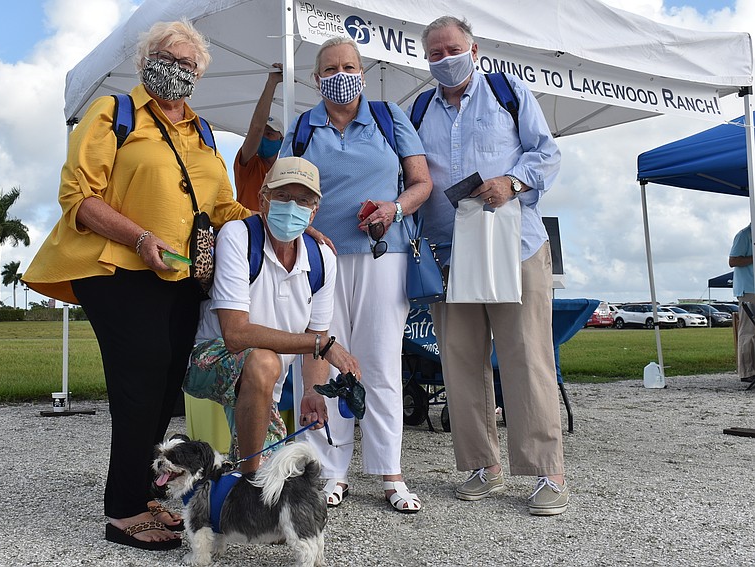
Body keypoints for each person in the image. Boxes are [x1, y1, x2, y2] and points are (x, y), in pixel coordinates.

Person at [22, 19, 252, 550]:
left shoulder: (203, 132)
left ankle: (146, 493)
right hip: (119, 269)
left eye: (190, 65)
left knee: (164, 389)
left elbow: (221, 208)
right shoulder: (113, 114)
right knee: (140, 385)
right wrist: (141, 236)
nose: (179, 70)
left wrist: (280, 219)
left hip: (182, 279)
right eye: (170, 58)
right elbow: (79, 196)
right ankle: (122, 511)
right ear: (147, 60)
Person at [413, 16, 567, 516]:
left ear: (473, 49)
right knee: (459, 361)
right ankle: (484, 465)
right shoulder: (416, 108)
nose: (443, 59)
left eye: (451, 49)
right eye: (433, 54)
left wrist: (513, 182)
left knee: (527, 357)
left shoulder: (509, 92)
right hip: (448, 252)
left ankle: (548, 473)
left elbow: (547, 154)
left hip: (514, 245)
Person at [278, 37, 433, 513]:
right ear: (316, 78)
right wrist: (306, 230)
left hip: (382, 256)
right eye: (330, 68)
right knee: (322, 363)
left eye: (349, 65)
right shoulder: (303, 127)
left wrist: (395, 207)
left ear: (362, 72)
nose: (341, 73)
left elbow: (422, 182)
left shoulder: (389, 118)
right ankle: (330, 471)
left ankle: (392, 474)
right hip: (318, 261)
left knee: (381, 362)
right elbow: (281, 189)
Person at [185, 156, 360, 474]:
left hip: (267, 376)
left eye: (303, 199)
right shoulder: (239, 236)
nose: (292, 206)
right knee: (264, 361)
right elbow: (236, 334)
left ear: (314, 210)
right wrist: (321, 344)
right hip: (210, 360)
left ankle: (240, 474)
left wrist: (312, 391)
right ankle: (249, 481)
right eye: (283, 196)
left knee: (282, 474)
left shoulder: (322, 258)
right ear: (262, 199)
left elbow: (315, 333)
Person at [234, 63, 284, 211]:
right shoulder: (248, 164)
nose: (263, 137)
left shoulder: (284, 171)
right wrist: (271, 83)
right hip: (248, 231)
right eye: (262, 133)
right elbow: (256, 128)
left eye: (269, 134)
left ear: (281, 140)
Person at [729, 224, 755, 383]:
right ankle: (747, 372)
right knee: (748, 332)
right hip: (748, 290)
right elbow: (733, 261)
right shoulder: (744, 235)